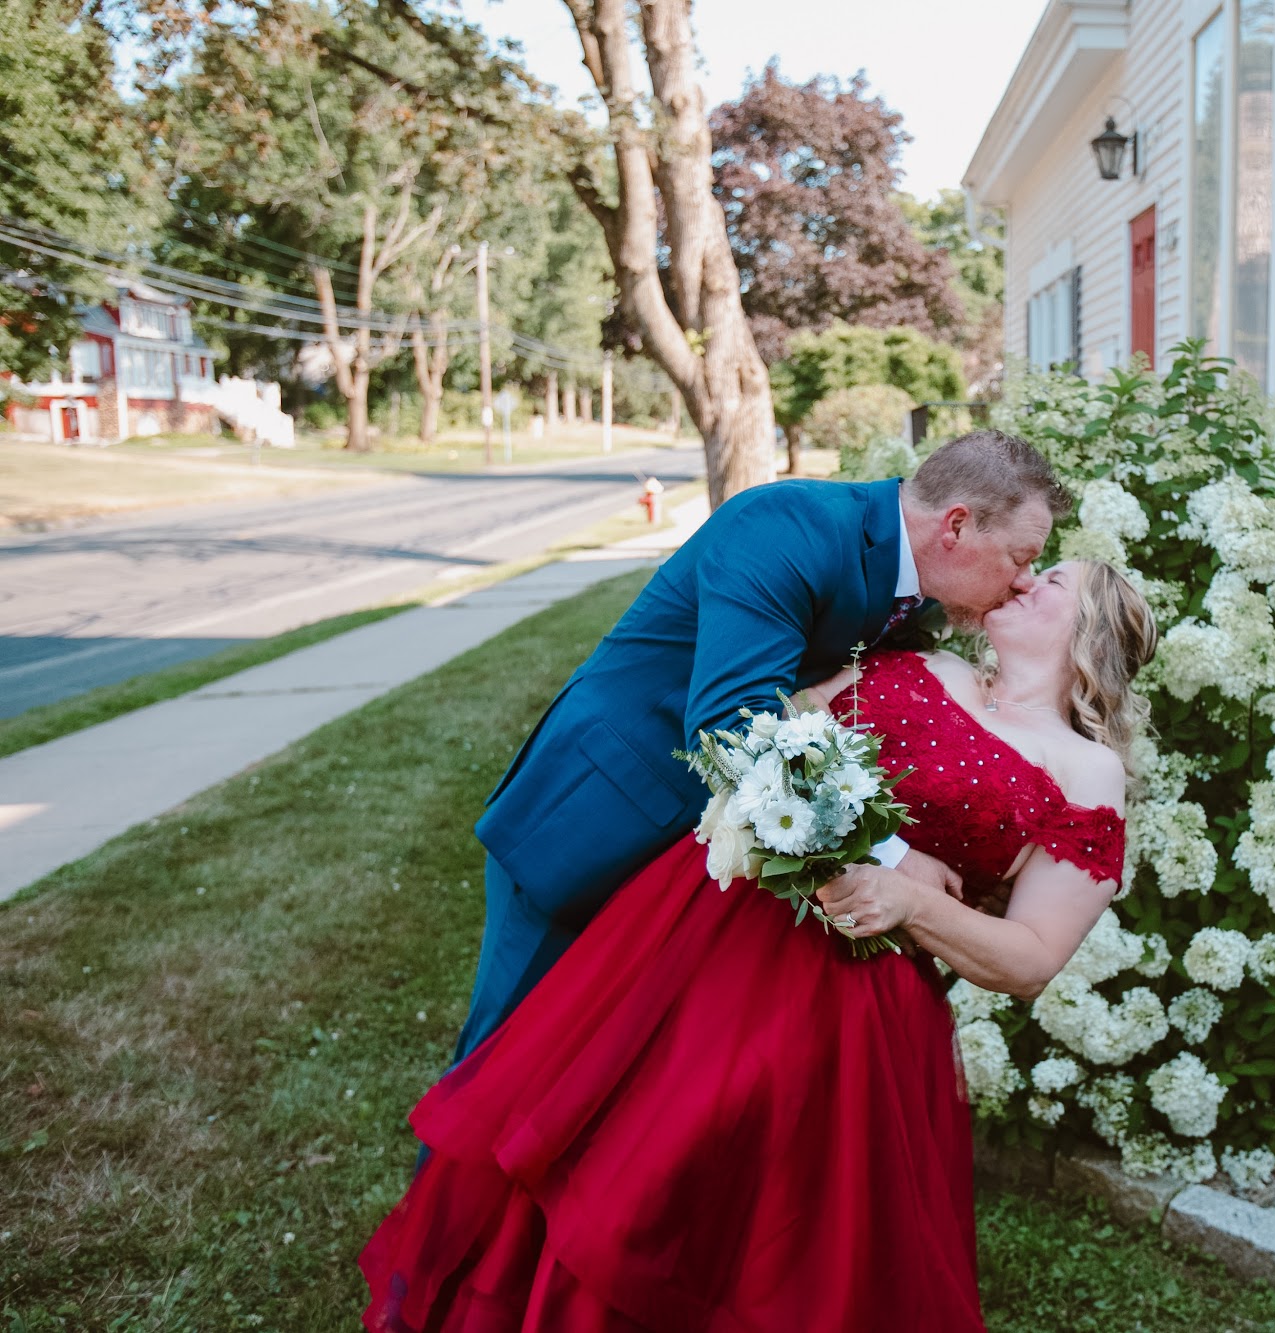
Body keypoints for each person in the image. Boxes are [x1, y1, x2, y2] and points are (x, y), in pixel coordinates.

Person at [358, 558, 1160, 1331]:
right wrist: (865, 838)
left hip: (848, 1011)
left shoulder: (1087, 773)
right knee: (610, 1145)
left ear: (1092, 632)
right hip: (706, 927)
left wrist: (907, 897)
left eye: (1053, 579)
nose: (1025, 577)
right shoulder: (931, 665)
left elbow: (1030, 957)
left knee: (736, 1208)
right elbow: (777, 732)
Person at [450, 431, 1066, 1069]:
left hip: (700, 870)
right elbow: (729, 730)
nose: (1023, 582)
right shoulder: (786, 525)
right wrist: (893, 855)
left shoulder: (919, 597)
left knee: (603, 1072)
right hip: (599, 815)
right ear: (957, 526)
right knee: (507, 1053)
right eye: (1020, 558)